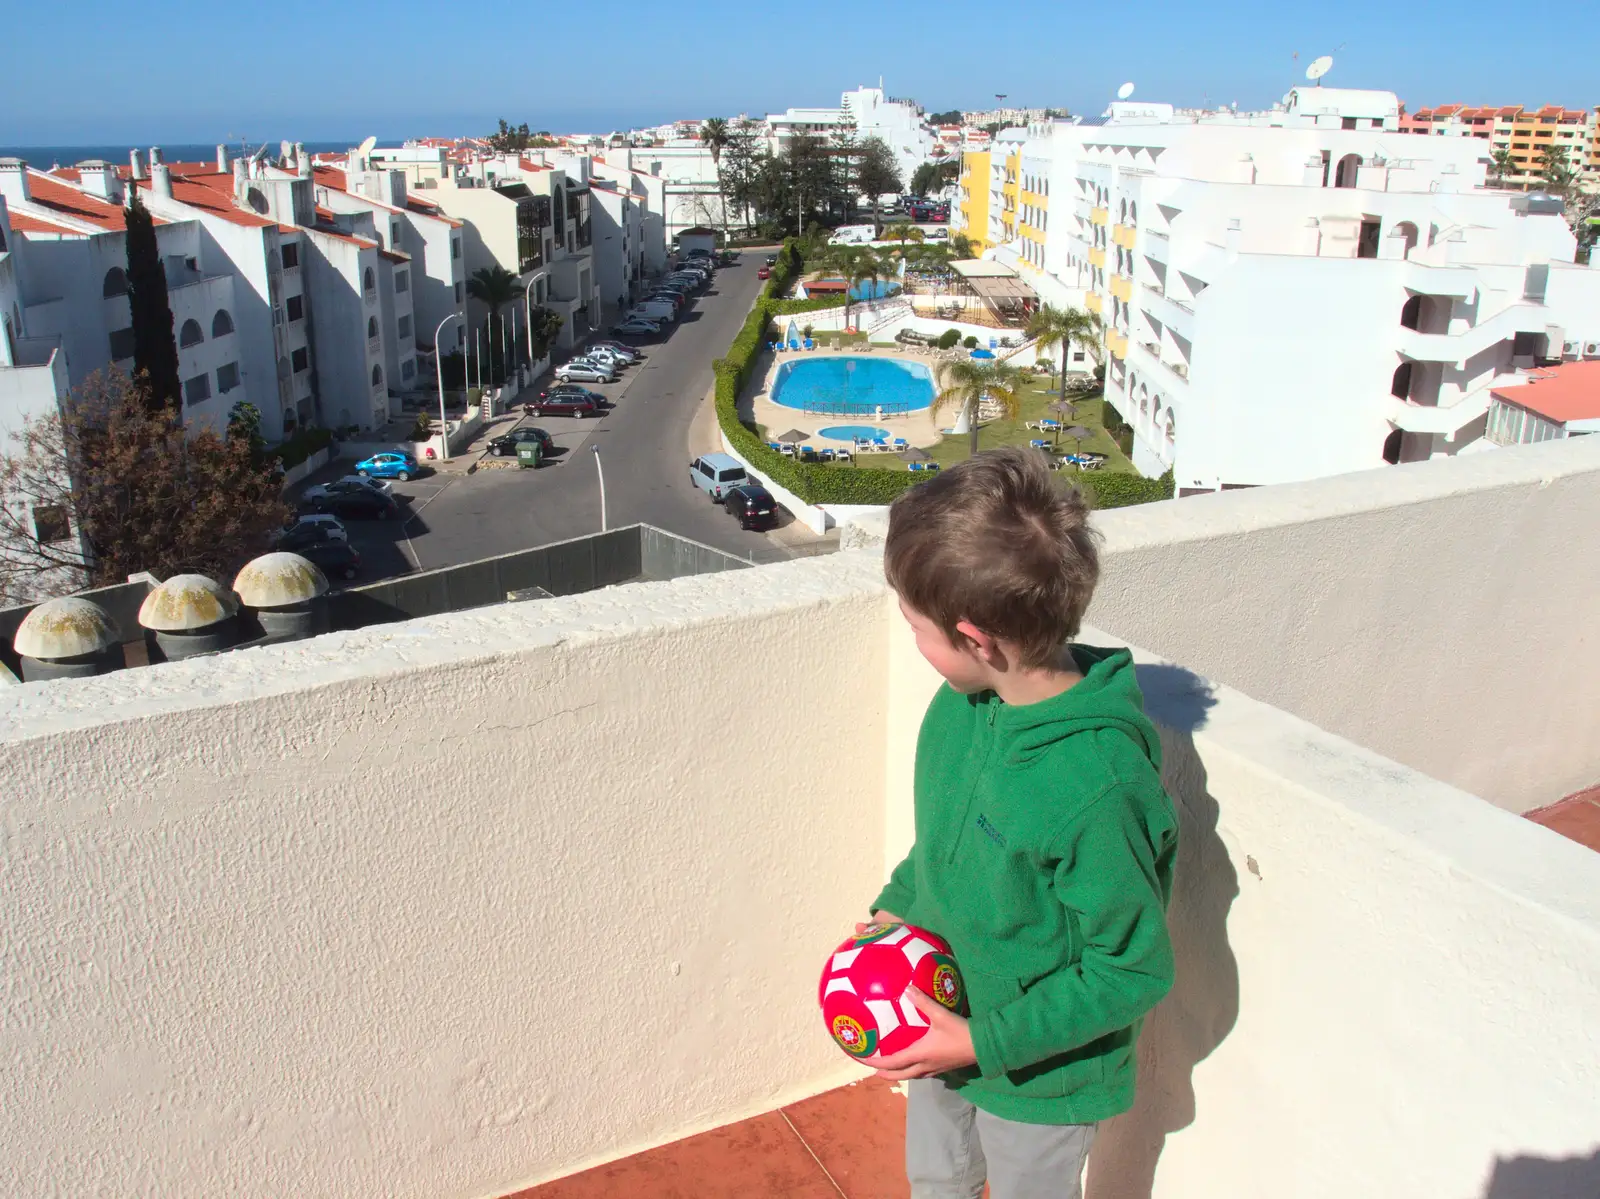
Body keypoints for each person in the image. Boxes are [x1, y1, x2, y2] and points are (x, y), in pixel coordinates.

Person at [864, 447, 1178, 1199]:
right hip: (945, 1012)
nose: (914, 642)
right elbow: (945, 841)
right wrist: (897, 905)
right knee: (936, 1177)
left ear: (975, 638)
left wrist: (985, 1041)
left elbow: (1132, 967)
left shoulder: (1095, 784)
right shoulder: (963, 709)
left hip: (1043, 1076)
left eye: (917, 627)